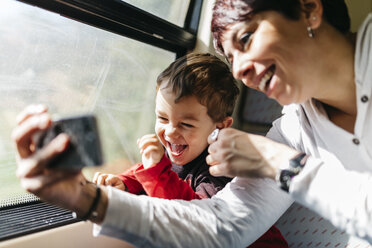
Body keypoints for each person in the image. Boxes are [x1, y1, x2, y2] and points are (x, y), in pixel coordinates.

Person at [11, 0, 372, 246]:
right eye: (232, 59)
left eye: (246, 39)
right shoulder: (294, 130)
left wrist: (278, 163)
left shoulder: (276, 150)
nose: (243, 71)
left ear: (308, 8)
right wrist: (86, 198)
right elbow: (223, 227)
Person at [91, 52, 287, 247]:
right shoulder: (176, 150)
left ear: (219, 127)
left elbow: (194, 223)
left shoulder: (220, 170)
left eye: (186, 124)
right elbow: (143, 172)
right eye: (163, 119)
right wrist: (123, 183)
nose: (170, 132)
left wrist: (155, 173)